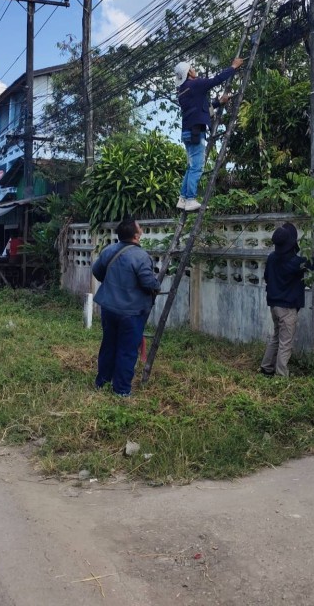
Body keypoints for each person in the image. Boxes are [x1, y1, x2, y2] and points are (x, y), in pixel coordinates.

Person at [93, 217, 160, 397]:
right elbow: (148, 282)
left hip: (108, 309)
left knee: (108, 345)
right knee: (127, 350)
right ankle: (121, 390)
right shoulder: (140, 256)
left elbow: (97, 271)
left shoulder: (109, 251)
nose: (142, 231)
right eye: (140, 229)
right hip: (131, 313)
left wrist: (112, 284)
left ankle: (102, 383)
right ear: (136, 236)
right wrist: (156, 286)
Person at [260, 222, 314, 378]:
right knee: (285, 342)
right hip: (287, 308)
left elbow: (267, 277)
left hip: (274, 305)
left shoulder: (272, 258)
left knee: (276, 337)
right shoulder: (294, 262)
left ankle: (266, 367)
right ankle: (281, 376)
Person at [174, 57, 243, 212]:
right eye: (192, 68)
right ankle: (190, 199)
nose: (194, 69)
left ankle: (183, 198)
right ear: (188, 73)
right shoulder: (195, 84)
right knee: (197, 167)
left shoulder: (182, 91)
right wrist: (233, 67)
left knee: (191, 166)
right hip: (196, 131)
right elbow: (216, 79)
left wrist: (219, 102)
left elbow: (201, 108)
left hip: (187, 132)